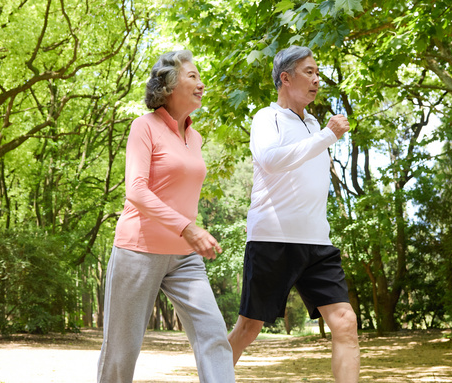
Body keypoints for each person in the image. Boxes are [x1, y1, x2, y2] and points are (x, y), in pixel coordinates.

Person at [96, 50, 235, 383]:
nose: (202, 84)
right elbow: (137, 191)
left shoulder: (195, 137)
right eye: (193, 77)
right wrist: (187, 228)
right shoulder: (144, 127)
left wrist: (187, 234)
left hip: (184, 257)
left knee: (214, 334)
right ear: (170, 85)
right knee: (122, 350)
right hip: (139, 250)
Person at [226, 45, 360, 382]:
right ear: (285, 78)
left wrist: (323, 135)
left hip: (317, 242)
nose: (317, 79)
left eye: (318, 72)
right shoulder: (266, 118)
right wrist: (328, 136)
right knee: (248, 328)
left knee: (345, 323)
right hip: (273, 239)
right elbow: (271, 160)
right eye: (309, 72)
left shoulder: (314, 124)